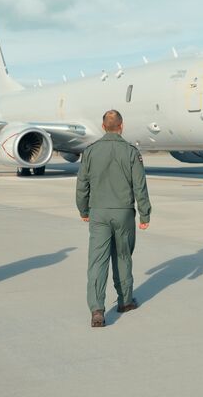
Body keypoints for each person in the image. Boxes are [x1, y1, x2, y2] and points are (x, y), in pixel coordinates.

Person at [76, 110, 152, 327]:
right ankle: (125, 301)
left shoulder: (90, 152)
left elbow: (82, 185)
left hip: (98, 213)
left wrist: (83, 210)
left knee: (97, 261)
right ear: (121, 126)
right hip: (123, 212)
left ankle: (97, 310)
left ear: (103, 126)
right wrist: (145, 213)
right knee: (123, 256)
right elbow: (140, 185)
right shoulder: (130, 152)